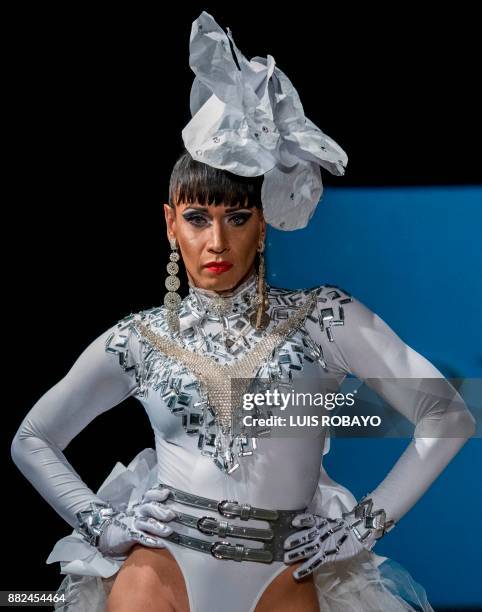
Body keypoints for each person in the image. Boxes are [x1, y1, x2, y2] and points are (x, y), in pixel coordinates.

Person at [10, 11, 476, 612]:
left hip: (282, 577)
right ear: (169, 224)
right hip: (159, 573)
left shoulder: (322, 317)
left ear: (262, 226)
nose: (216, 242)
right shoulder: (140, 338)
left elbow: (448, 415)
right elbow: (32, 438)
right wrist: (101, 521)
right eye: (198, 218)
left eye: (236, 218)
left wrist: (362, 526)